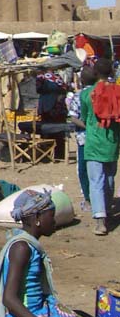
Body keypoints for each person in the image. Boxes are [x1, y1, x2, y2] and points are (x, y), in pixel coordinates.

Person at [0, 189, 105, 317]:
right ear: (37, 219)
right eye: (51, 216)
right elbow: (9, 299)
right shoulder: (21, 248)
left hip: (41, 308)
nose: (54, 221)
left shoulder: (29, 245)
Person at [80, 57, 120, 236]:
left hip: (94, 143)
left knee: (96, 181)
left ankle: (100, 221)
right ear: (111, 72)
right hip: (112, 143)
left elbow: (84, 116)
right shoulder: (118, 92)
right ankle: (109, 210)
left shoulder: (87, 94)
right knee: (109, 179)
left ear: (95, 73)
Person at [67, 66, 96, 212]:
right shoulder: (100, 93)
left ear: (82, 80)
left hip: (84, 138)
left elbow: (73, 117)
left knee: (84, 170)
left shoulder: (79, 96)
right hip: (102, 139)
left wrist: (87, 126)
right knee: (101, 170)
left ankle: (88, 199)